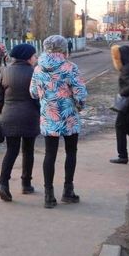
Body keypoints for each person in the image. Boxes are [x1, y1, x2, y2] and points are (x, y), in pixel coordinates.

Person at [29, 35, 88, 209]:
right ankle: (68, 191)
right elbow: (80, 94)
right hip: (68, 116)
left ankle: (48, 195)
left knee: (50, 154)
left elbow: (32, 92)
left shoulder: (38, 68)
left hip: (49, 116)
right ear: (63, 49)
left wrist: (46, 98)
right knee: (71, 152)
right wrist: (79, 105)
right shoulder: (70, 67)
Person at [0, 43, 40, 202]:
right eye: (34, 55)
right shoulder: (35, 73)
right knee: (28, 150)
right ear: (27, 57)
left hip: (9, 116)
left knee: (11, 151)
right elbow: (39, 97)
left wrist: (5, 112)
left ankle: (3, 184)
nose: (36, 58)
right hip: (30, 117)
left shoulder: (5, 71)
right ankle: (26, 184)